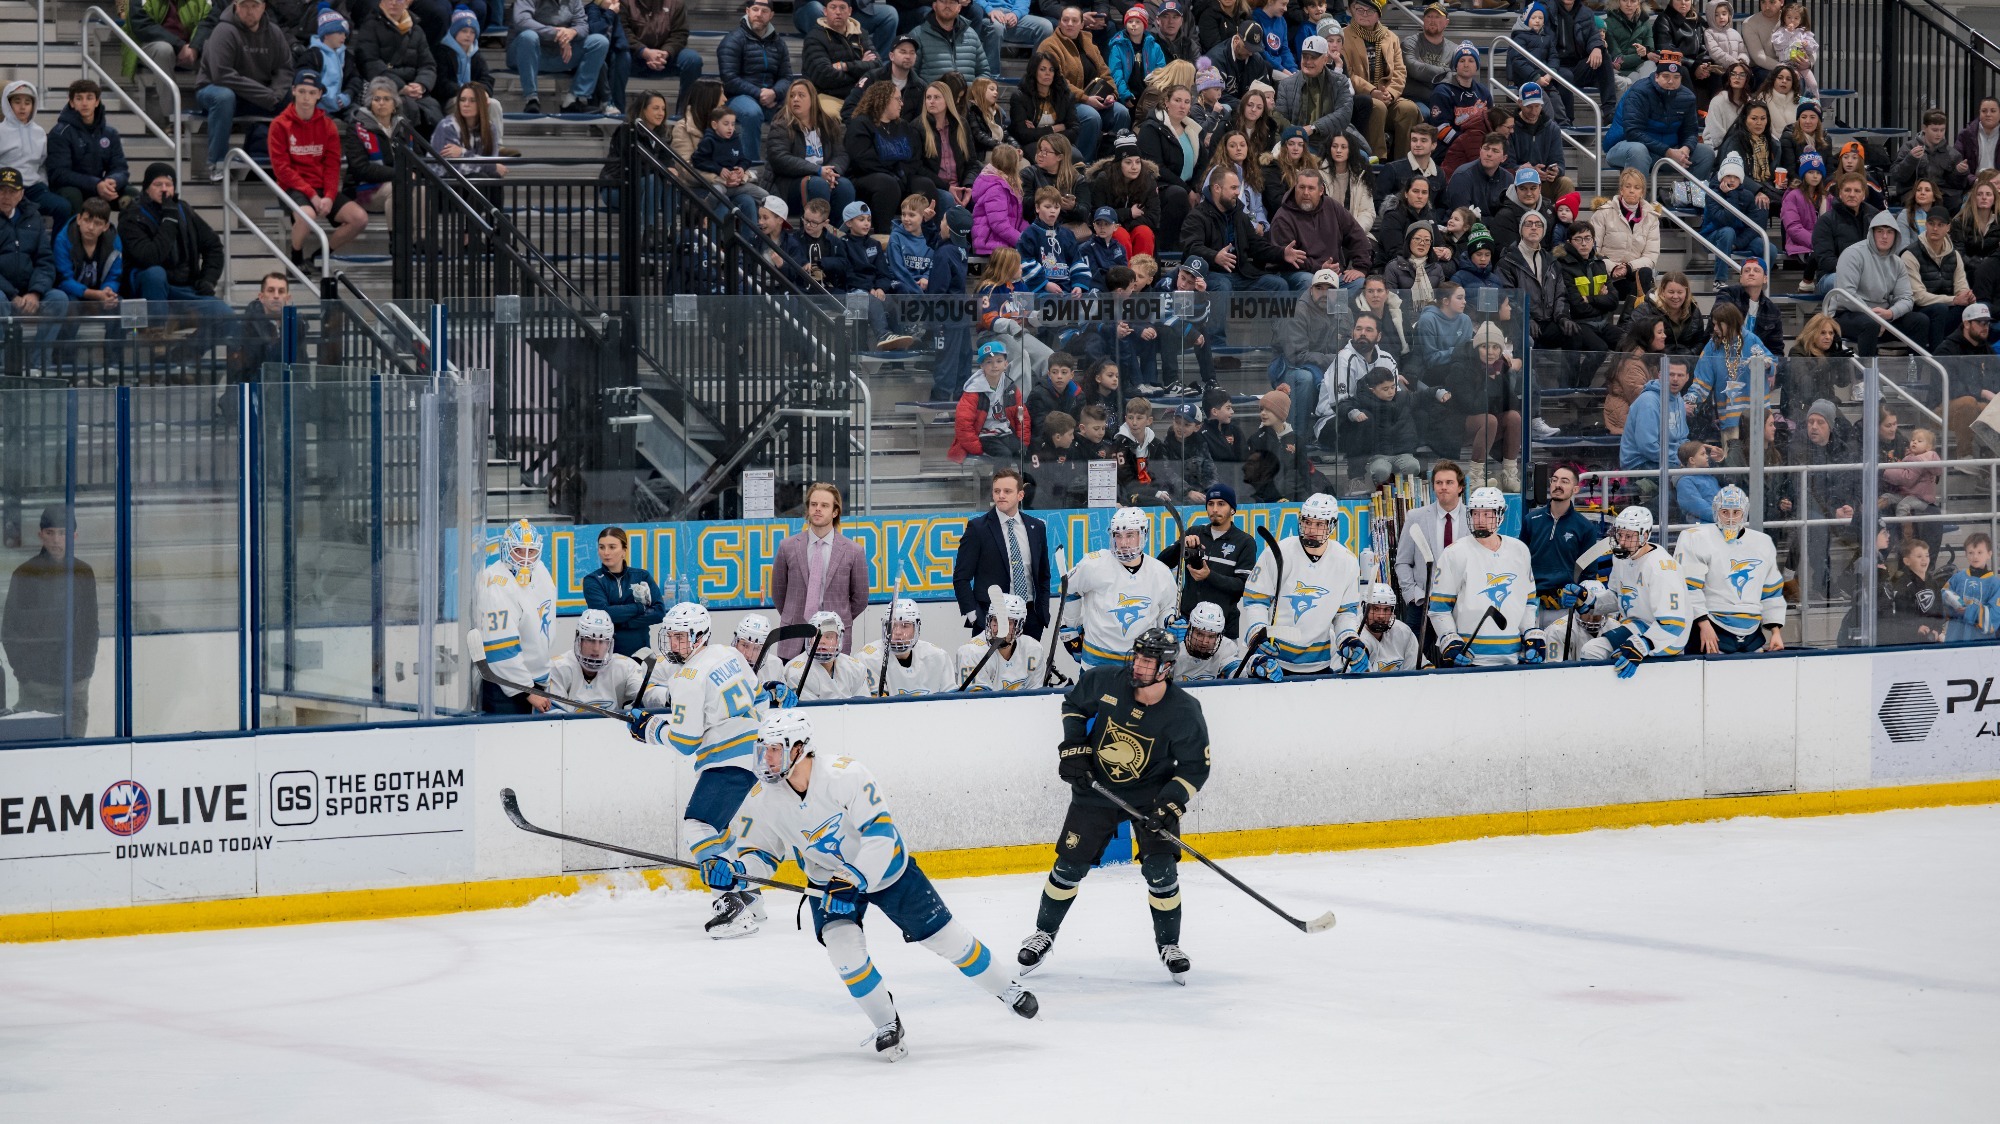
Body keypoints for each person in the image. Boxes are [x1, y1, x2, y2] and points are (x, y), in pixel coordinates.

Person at [709, 711, 1044, 1053]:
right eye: (763, 749)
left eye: (775, 749)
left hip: (886, 871)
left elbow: (880, 833)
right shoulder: (764, 798)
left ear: (799, 748)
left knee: (948, 939)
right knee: (843, 952)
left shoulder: (846, 775)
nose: (767, 758)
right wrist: (735, 870)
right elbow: (762, 855)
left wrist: (854, 877)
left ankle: (1007, 989)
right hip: (826, 881)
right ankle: (887, 1022)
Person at [1018, 626, 1209, 983]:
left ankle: (1170, 945)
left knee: (1161, 871)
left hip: (1153, 796)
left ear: (1166, 668)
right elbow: (1073, 704)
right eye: (1137, 656)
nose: (1138, 665)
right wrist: (1075, 747)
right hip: (1097, 790)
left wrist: (1170, 805)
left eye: (1148, 660)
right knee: (1069, 867)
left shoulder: (1184, 711)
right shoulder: (1106, 681)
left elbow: (1196, 767)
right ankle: (1044, 933)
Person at [622, 601, 769, 934]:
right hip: (756, 753)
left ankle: (732, 906)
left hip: (727, 757)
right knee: (718, 828)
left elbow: (686, 741)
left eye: (681, 638)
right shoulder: (728, 654)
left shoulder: (687, 676)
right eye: (671, 637)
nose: (674, 644)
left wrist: (650, 730)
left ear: (700, 636)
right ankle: (751, 897)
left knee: (698, 825)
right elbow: (760, 699)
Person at [1240, 491, 1365, 674]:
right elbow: (1255, 601)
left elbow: (1345, 613)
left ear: (1332, 525)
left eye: (1319, 524)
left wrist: (1348, 639)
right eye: (1307, 522)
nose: (1311, 530)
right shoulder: (1278, 552)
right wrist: (1257, 633)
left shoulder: (1347, 562)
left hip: (1319, 663)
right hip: (1274, 660)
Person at [3, 505, 99, 737]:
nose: (57, 540)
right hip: (38, 686)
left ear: (74, 536)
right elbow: (10, 629)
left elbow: (90, 628)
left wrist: (84, 672)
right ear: (41, 535)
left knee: (76, 752)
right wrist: (26, 675)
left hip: (76, 685)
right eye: (50, 532)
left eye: (63, 533)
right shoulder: (25, 574)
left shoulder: (84, 573)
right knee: (38, 750)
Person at [1428, 486, 1547, 667]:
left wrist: (1531, 633)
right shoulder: (1454, 553)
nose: (1480, 520)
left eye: (1487, 514)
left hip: (1513, 658)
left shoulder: (1520, 550)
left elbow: (1528, 603)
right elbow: (1439, 608)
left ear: (1500, 515)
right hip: (1470, 658)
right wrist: (1450, 639)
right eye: (1475, 514)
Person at [271, 70, 369, 268]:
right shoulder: (279, 125)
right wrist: (312, 195)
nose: (306, 98)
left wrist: (330, 196)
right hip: (293, 187)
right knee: (307, 215)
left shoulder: (328, 126)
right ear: (294, 92)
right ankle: (296, 256)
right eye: (302, 91)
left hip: (322, 187)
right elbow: (282, 169)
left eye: (311, 92)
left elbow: (332, 166)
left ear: (319, 94)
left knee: (359, 218)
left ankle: (320, 255)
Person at [1574, 505, 1689, 674]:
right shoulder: (1621, 557)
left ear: (1645, 536)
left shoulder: (1662, 568)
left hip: (1668, 637)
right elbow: (1617, 596)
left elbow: (1674, 624)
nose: (1622, 541)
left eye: (1629, 536)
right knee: (1592, 650)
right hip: (1639, 625)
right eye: (1619, 534)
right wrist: (1590, 601)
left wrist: (1642, 645)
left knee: (1619, 657)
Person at [1060, 506, 1176, 669]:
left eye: (1130, 535)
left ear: (1143, 534)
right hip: (1096, 661)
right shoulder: (1093, 564)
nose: (1123, 543)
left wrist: (1169, 620)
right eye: (1118, 536)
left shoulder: (1160, 572)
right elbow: (1069, 589)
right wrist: (1071, 626)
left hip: (1140, 663)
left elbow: (1166, 608)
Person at [195, 0, 295, 181]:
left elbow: (285, 69)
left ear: (264, 6)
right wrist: (266, 95)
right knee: (224, 97)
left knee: (293, 97)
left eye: (254, 5)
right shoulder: (223, 31)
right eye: (244, 6)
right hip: (213, 89)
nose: (249, 11)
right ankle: (217, 164)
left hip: (256, 94)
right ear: (235, 5)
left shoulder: (274, 33)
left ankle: (283, 162)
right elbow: (222, 75)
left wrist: (277, 94)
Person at [770, 481, 870, 659]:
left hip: (833, 639)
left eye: (824, 505)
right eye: (813, 504)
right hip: (793, 638)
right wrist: (793, 616)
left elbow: (860, 598)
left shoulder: (854, 551)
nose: (818, 509)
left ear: (835, 512)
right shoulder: (787, 547)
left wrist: (838, 620)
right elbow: (779, 593)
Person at [952, 466, 1053, 639]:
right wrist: (973, 615)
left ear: (1020, 495)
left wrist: (1042, 611)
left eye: (1007, 491)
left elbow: (1043, 575)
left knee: (1026, 666)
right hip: (991, 618)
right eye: (997, 491)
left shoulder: (1036, 527)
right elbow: (961, 577)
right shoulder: (978, 528)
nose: (1001, 495)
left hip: (1030, 617)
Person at [476, 519, 558, 714]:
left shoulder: (541, 571)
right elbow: (500, 650)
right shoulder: (495, 585)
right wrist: (526, 690)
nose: (525, 559)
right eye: (518, 550)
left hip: (536, 684)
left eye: (532, 552)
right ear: (505, 549)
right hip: (507, 689)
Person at [1156, 482, 1257, 634]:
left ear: (1232, 509)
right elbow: (1161, 563)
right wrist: (1181, 545)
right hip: (1187, 626)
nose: (1215, 509)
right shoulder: (1194, 532)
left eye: (1221, 504)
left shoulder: (1245, 542)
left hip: (1224, 629)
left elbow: (1243, 586)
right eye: (1210, 504)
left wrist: (1209, 576)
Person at [1604, 55, 1716, 179]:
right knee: (1638, 151)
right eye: (1666, 76)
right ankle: (1638, 198)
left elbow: (1690, 131)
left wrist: (1686, 148)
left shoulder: (1687, 97)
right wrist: (1668, 151)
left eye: (1676, 77)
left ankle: (1689, 197)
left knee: (1706, 153)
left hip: (1667, 151)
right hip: (1626, 147)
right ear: (1656, 76)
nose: (1671, 81)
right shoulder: (1639, 92)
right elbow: (1633, 132)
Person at [1833, 212, 1929, 356]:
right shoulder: (1853, 254)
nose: (1885, 236)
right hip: (1848, 314)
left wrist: (1891, 313)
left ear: (1896, 236)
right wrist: (1874, 317)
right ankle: (1866, 376)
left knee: (1920, 320)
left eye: (1889, 232)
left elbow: (1906, 298)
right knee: (1870, 325)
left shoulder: (1897, 262)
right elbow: (1846, 296)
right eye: (1880, 231)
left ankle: (1914, 375)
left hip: (1883, 316)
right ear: (1872, 233)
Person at [0, 168, 70, 367]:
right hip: (4, 293)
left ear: (21, 193)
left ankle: (39, 365)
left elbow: (45, 261)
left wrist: (36, 293)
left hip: (29, 291)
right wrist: (13, 295)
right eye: (2, 190)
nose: (6, 196)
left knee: (59, 299)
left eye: (12, 191)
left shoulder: (33, 218)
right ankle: (2, 367)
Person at [1181, 168, 1288, 294]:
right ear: (1217, 188)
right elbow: (1191, 247)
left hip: (1240, 274)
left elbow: (1257, 246)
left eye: (1238, 188)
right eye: (1233, 188)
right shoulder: (1197, 216)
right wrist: (1214, 256)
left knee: (1278, 284)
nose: (1238, 193)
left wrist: (1282, 253)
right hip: (1209, 274)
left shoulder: (1240, 215)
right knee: (1223, 286)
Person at [1522, 463, 1604, 626]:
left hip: (1564, 608)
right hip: (1531, 605)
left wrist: (1578, 600)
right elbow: (1520, 563)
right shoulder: (1530, 520)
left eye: (1565, 481)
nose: (1558, 485)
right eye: (1554, 480)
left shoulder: (1586, 528)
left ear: (1575, 489)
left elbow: (1589, 575)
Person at [541, 609, 668, 713]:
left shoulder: (626, 666)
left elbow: (647, 693)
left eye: (602, 642)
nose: (596, 648)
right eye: (590, 640)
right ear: (579, 640)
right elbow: (556, 719)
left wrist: (668, 696)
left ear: (610, 644)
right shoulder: (557, 667)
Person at [1270, 168, 1372, 295]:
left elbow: (1357, 235)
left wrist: (1360, 267)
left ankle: (1339, 315)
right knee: (1310, 282)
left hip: (1332, 274)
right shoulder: (1283, 217)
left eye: (1311, 188)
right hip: (1297, 274)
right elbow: (1287, 259)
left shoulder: (1332, 207)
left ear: (1321, 190)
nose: (1305, 192)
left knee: (1359, 282)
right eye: (1301, 187)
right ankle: (1312, 315)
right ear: (1295, 188)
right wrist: (1319, 268)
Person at [1341, 0, 1421, 159]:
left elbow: (1400, 71)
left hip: (1387, 96)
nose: (1364, 14)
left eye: (1369, 11)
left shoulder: (1391, 37)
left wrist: (1390, 93)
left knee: (1408, 109)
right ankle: (1378, 159)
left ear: (1379, 14)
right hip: (1359, 98)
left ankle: (1403, 161)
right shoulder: (1343, 36)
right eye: (1359, 9)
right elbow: (1347, 73)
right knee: (1377, 106)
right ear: (1351, 10)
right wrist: (1372, 92)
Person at [46, 79, 134, 218]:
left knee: (133, 196)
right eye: (79, 98)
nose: (85, 103)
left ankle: (128, 238)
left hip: (100, 187)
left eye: (89, 98)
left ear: (97, 102)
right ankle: (71, 238)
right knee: (73, 195)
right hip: (71, 189)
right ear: (72, 103)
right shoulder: (60, 133)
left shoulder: (110, 133)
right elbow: (59, 173)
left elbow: (120, 168)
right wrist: (96, 184)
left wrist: (112, 181)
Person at [715, 0, 790, 161]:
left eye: (764, 11)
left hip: (771, 95)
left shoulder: (779, 43)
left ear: (771, 15)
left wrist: (775, 92)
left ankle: (787, 163)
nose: (759, 14)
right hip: (738, 96)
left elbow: (786, 77)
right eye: (755, 10)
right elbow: (729, 79)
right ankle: (751, 165)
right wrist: (760, 94)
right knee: (752, 113)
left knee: (798, 110)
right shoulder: (733, 40)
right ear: (747, 11)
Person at [579, 526, 666, 657]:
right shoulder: (592, 580)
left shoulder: (642, 576)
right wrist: (639, 607)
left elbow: (659, 612)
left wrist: (624, 622)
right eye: (602, 547)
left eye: (612, 547)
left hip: (642, 655)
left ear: (624, 550)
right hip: (607, 657)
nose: (606, 552)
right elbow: (604, 614)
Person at [1904, 209, 1977, 350]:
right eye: (1931, 224)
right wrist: (1953, 300)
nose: (1935, 228)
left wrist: (1967, 296)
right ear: (1926, 225)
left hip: (1944, 310)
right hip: (1919, 311)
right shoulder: (1910, 254)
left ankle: (1961, 357)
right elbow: (1918, 297)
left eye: (1940, 224)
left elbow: (1961, 286)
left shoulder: (1954, 255)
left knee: (1969, 309)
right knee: (1940, 309)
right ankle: (1938, 356)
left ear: (1948, 227)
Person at [856, 597, 954, 696]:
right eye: (892, 625)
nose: (898, 632)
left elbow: (952, 701)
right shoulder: (868, 658)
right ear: (885, 627)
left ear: (916, 627)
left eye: (905, 625)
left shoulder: (938, 657)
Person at [620, 0, 701, 116]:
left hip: (665, 58)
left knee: (693, 60)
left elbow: (680, 34)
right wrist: (644, 52)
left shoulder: (676, 3)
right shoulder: (624, 2)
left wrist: (665, 53)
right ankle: (617, 110)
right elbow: (623, 32)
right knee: (618, 57)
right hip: (634, 57)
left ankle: (684, 115)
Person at [52, 196, 123, 317]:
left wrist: (108, 291)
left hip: (100, 292)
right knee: (72, 308)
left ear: (106, 226)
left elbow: (115, 276)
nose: (90, 227)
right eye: (87, 220)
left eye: (98, 223)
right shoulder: (64, 239)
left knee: (117, 305)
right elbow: (63, 280)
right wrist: (93, 294)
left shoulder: (114, 242)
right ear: (79, 219)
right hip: (70, 292)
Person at [1811, 171, 1878, 300]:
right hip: (1831, 276)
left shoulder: (1874, 218)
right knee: (1843, 281)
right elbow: (1825, 261)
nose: (1852, 194)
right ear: (1840, 193)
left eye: (1857, 191)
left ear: (1864, 194)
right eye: (1847, 190)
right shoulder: (1826, 221)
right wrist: (1858, 272)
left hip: (1869, 275)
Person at [955, 592, 1043, 690]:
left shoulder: (1033, 649)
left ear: (1019, 626)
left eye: (1006, 622)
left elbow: (1035, 697)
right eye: (995, 621)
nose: (999, 629)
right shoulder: (972, 652)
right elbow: (976, 702)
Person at [778, 609, 873, 698]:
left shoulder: (855, 668)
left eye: (828, 637)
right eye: (816, 636)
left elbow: (863, 707)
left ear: (838, 640)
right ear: (809, 639)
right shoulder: (796, 672)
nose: (821, 641)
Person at [912, 0, 990, 86]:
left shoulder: (972, 35)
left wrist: (974, 94)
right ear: (934, 6)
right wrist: (929, 95)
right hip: (932, 98)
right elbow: (911, 73)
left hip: (967, 98)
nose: (947, 6)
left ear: (959, 8)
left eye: (952, 2)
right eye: (943, 1)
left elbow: (983, 72)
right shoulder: (918, 35)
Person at [1942, 532, 2000, 642]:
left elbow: (1992, 621)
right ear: (1966, 554)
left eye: (1979, 552)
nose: (1975, 556)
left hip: (1982, 645)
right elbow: (1943, 600)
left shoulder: (1996, 585)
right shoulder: (1957, 578)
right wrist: (1952, 604)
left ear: (1989, 554)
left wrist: (1967, 611)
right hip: (1954, 642)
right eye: (1971, 552)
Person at [1170, 600, 1245, 680]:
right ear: (1190, 629)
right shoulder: (1175, 648)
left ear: (1218, 636)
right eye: (1200, 634)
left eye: (1211, 637)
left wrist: (1250, 667)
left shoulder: (1226, 647)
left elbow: (1237, 670)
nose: (1205, 642)